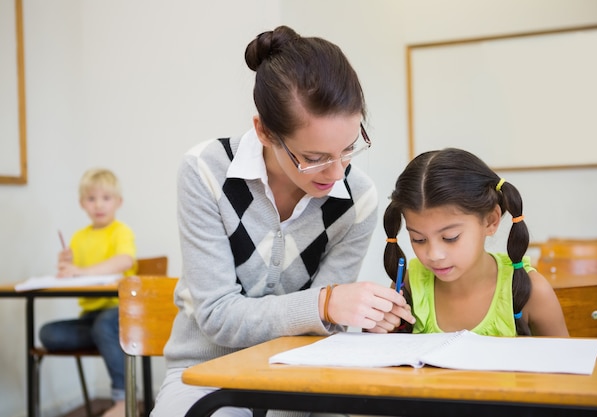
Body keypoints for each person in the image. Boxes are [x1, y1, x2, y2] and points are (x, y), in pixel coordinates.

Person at [151, 25, 414, 417]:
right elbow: (218, 316)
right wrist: (325, 303)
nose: (337, 171)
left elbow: (325, 329)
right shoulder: (206, 171)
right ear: (264, 131)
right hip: (205, 371)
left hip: (304, 367)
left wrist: (356, 314)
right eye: (314, 157)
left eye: (348, 149)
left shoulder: (358, 200)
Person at [382, 148, 569, 337]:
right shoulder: (407, 286)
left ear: (490, 221)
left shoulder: (531, 291)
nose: (434, 254)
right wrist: (378, 329)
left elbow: (564, 364)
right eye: (418, 239)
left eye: (450, 237)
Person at [39, 168, 137, 417]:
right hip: (90, 318)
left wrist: (81, 271)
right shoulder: (79, 238)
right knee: (47, 333)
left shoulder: (120, 231)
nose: (99, 205)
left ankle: (124, 400)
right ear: (82, 203)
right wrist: (66, 267)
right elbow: (74, 274)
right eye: (91, 199)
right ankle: (103, 339)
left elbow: (124, 261)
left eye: (106, 198)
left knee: (105, 324)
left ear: (118, 202)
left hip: (121, 315)